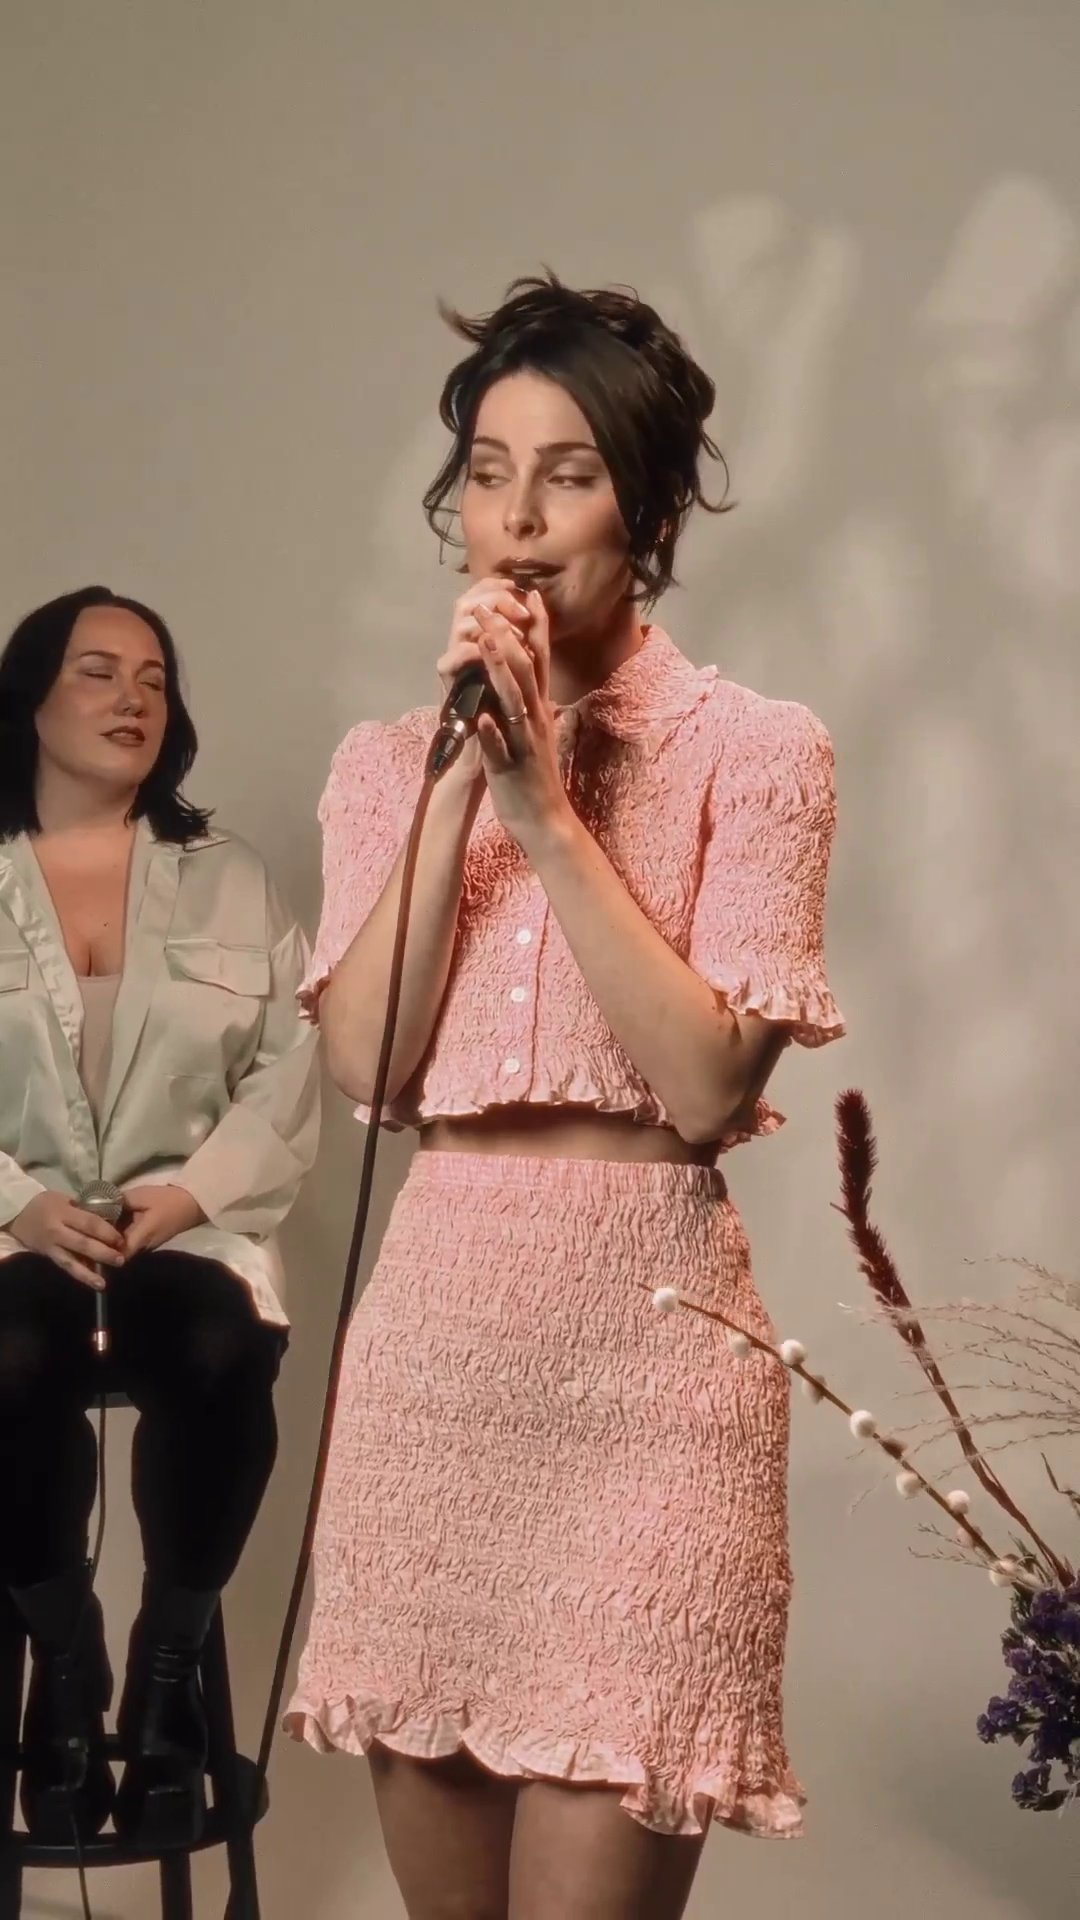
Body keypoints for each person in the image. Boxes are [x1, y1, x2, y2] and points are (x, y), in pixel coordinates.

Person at [286, 275, 845, 1920]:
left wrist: (544, 806)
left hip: (650, 1393)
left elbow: (703, 1086)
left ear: (648, 512)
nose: (518, 520)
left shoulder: (759, 753)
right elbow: (369, 1066)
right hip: (435, 1373)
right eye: (486, 473)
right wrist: (464, 784)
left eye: (571, 474)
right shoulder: (384, 766)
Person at [0, 586, 320, 1849]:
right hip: (10, 1230)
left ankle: (168, 1672)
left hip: (186, 1226)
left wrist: (185, 1196)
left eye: (153, 676)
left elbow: (290, 1068)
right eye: (97, 671)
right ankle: (61, 1653)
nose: (133, 697)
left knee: (215, 1344)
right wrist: (22, 1204)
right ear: (29, 695)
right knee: (7, 1354)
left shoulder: (228, 879)